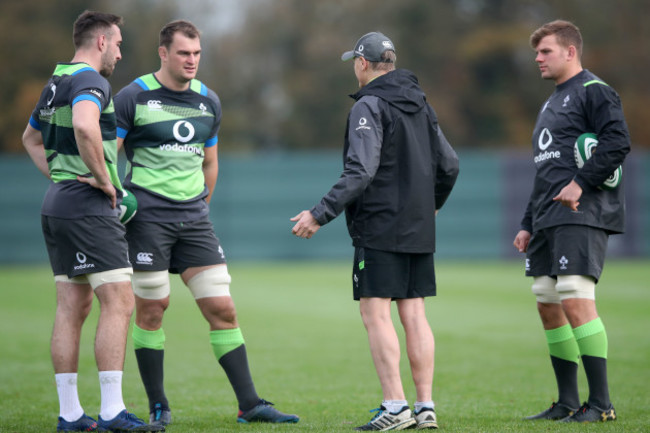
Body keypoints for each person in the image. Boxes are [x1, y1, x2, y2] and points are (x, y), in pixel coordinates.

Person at [113, 20, 299, 426]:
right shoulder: (133, 96)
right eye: (184, 53)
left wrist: (200, 207)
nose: (192, 60)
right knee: (152, 310)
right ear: (163, 53)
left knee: (223, 308)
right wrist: (118, 195)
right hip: (147, 220)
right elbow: (109, 152)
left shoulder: (209, 101)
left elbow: (210, 161)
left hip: (194, 220)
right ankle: (158, 405)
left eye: (197, 53)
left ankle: (249, 404)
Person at [291, 32, 459, 431]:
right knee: (415, 313)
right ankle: (425, 407)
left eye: (355, 60)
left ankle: (396, 407)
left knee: (374, 310)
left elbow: (361, 171)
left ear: (363, 63)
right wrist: (433, 203)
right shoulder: (421, 103)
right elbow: (450, 164)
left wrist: (319, 214)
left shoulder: (369, 104)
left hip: (382, 226)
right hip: (417, 226)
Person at [21, 10, 164, 433]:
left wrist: (62, 177)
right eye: (118, 43)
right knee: (119, 302)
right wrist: (106, 183)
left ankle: (69, 416)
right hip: (87, 208)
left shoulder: (55, 82)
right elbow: (85, 126)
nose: (120, 52)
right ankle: (112, 412)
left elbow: (29, 139)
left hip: (58, 203)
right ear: (101, 41)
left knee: (72, 307)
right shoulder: (90, 80)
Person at [513, 20, 630, 423]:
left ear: (570, 51)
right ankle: (566, 401)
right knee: (547, 299)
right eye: (537, 52)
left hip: (582, 213)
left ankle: (601, 404)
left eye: (545, 51)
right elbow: (545, 169)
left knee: (575, 293)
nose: (538, 58)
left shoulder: (594, 91)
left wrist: (581, 183)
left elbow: (617, 142)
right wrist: (528, 222)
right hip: (547, 218)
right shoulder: (550, 102)